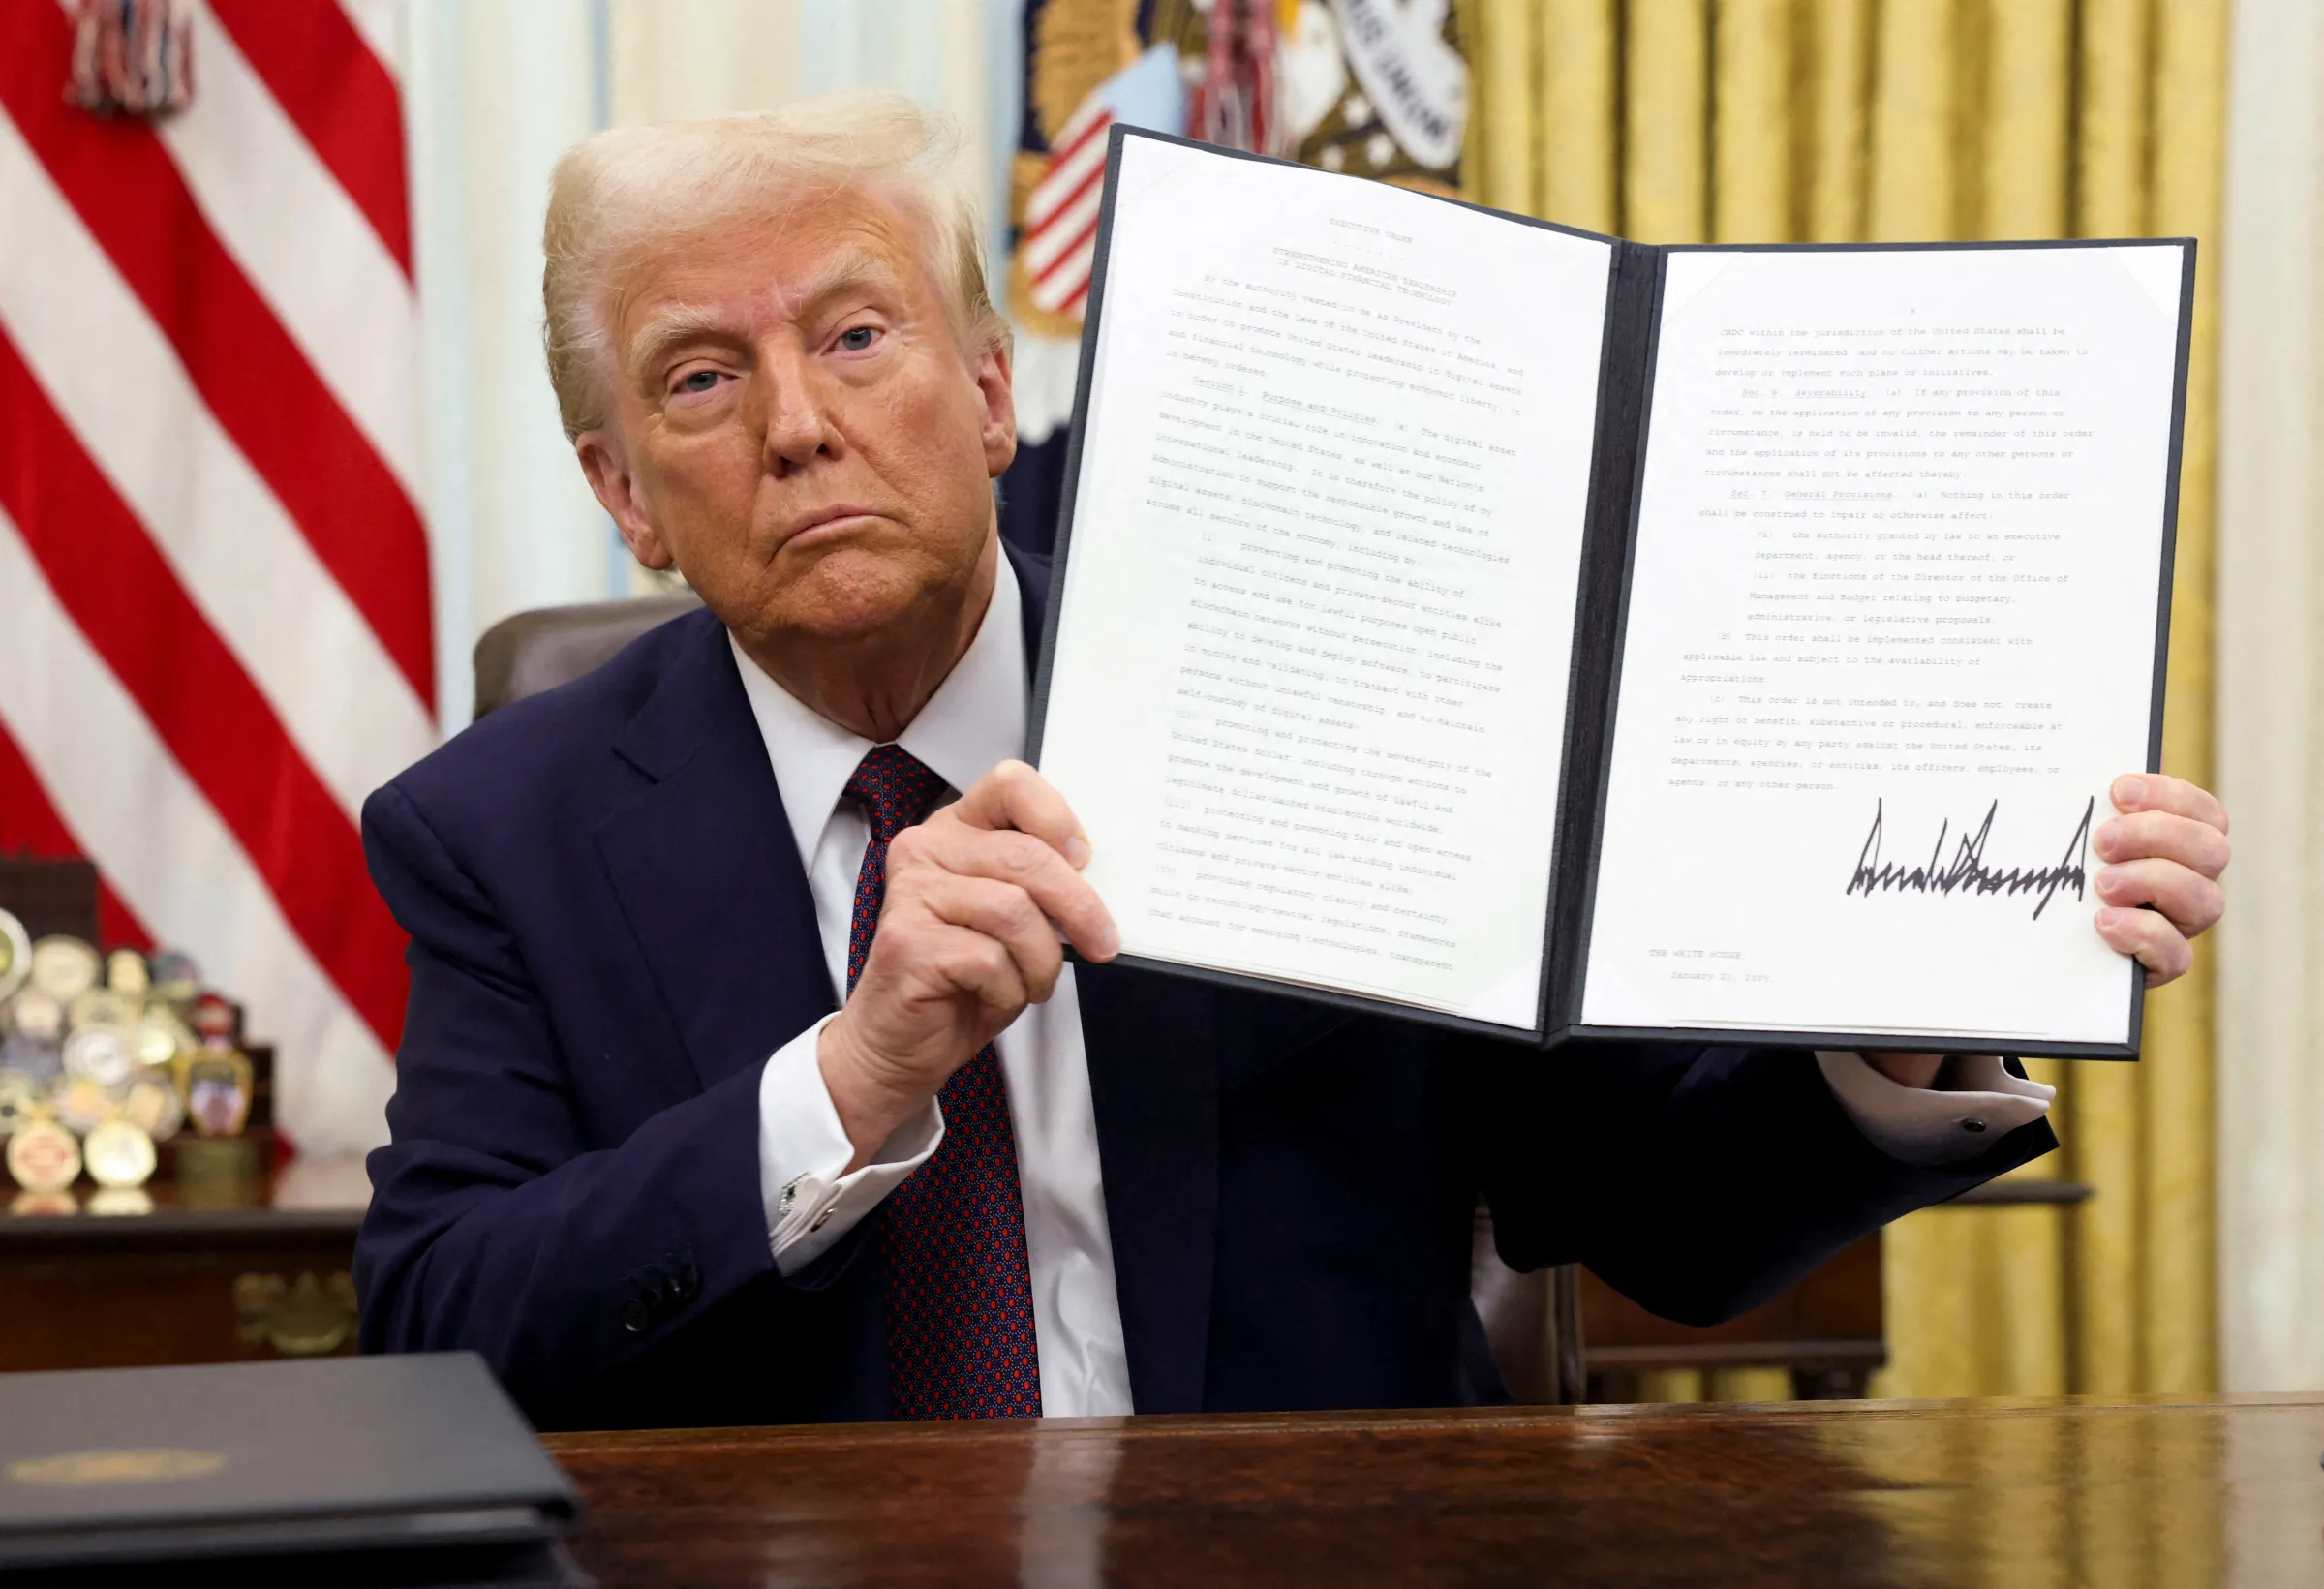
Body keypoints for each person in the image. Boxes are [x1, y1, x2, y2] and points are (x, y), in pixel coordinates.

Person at [353, 98, 2231, 1430]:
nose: (797, 425)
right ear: (625, 499)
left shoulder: (1314, 682)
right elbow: (440, 1323)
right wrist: (847, 1083)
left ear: (993, 391)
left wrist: (1910, 999)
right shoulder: (499, 831)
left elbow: (1658, 1211)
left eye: (859, 334)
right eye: (699, 379)